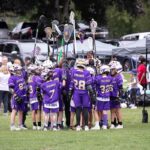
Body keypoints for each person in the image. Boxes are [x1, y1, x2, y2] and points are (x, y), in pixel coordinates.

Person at [69, 58, 95, 131]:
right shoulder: (86, 72)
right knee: (85, 109)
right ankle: (86, 125)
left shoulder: (73, 71)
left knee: (78, 109)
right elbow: (89, 85)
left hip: (76, 92)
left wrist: (70, 93)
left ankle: (78, 126)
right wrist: (92, 95)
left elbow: (71, 84)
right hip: (84, 93)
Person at [92, 65, 112, 130]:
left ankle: (97, 125)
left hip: (100, 97)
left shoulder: (98, 78)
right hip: (107, 97)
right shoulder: (110, 78)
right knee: (105, 111)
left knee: (95, 110)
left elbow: (93, 82)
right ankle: (105, 125)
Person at [8, 64, 27, 131]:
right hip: (16, 96)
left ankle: (20, 125)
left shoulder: (21, 76)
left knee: (21, 111)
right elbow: (10, 88)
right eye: (18, 70)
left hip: (23, 96)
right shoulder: (12, 78)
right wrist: (15, 95)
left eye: (19, 69)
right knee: (14, 110)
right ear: (14, 71)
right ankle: (12, 125)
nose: (19, 71)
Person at [110, 62, 124, 129]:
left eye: (113, 69)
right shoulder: (110, 76)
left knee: (118, 110)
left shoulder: (119, 77)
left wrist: (119, 96)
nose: (112, 71)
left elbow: (121, 88)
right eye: (112, 69)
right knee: (112, 110)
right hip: (111, 95)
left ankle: (120, 123)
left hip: (116, 96)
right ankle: (113, 123)